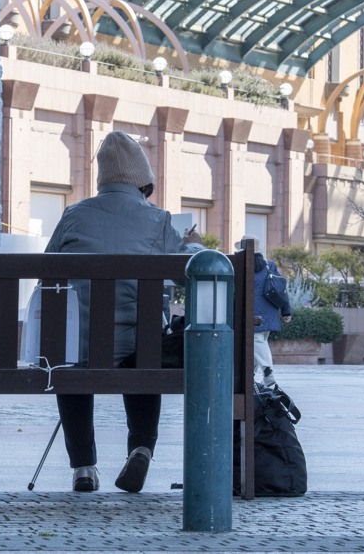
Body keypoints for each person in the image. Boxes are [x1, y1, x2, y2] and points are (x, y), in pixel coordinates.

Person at [45, 131, 203, 493]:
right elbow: (194, 270)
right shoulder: (159, 220)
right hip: (136, 350)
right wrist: (193, 245)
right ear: (143, 180)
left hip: (79, 350)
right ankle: (142, 448)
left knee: (70, 359)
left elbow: (47, 272)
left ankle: (83, 466)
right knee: (147, 351)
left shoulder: (72, 215)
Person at [236, 235, 292, 389]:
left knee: (257, 341)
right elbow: (281, 289)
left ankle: (268, 373)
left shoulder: (241, 265)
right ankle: (249, 378)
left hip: (252, 313)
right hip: (271, 311)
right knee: (256, 343)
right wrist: (286, 311)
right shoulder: (269, 265)